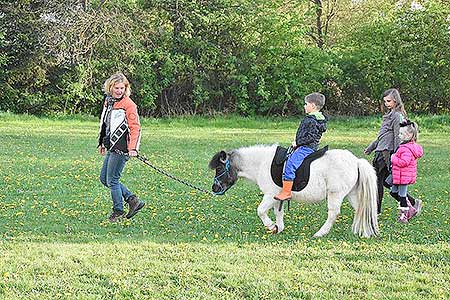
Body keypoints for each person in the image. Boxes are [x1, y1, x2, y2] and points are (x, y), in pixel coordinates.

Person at [98, 72, 145, 222]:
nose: (119, 91)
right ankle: (132, 200)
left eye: (122, 88)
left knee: (112, 180)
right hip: (111, 146)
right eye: (116, 88)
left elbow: (135, 127)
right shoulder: (108, 101)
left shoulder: (129, 105)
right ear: (110, 88)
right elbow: (104, 123)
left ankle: (118, 211)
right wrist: (101, 142)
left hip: (122, 148)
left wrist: (133, 148)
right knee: (104, 179)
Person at [274, 92, 328, 201]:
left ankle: (286, 191)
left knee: (290, 163)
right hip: (305, 146)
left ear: (312, 106)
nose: (304, 106)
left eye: (306, 104)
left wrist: (297, 142)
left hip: (306, 148)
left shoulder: (312, 120)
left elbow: (310, 137)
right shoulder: (315, 118)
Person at [364, 88, 410, 213]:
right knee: (385, 181)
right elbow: (382, 136)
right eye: (385, 101)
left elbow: (398, 136)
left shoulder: (397, 116)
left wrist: (397, 153)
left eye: (389, 101)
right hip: (380, 151)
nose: (386, 103)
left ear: (396, 100)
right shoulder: (389, 116)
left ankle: (375, 210)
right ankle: (411, 202)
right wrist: (371, 147)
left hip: (387, 153)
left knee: (379, 181)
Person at [390, 120, 423, 223]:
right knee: (393, 192)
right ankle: (411, 209)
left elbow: (404, 162)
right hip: (399, 175)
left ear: (409, 135)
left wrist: (393, 158)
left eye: (401, 134)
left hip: (404, 177)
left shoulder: (406, 149)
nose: (399, 135)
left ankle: (404, 216)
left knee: (402, 196)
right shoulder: (404, 146)